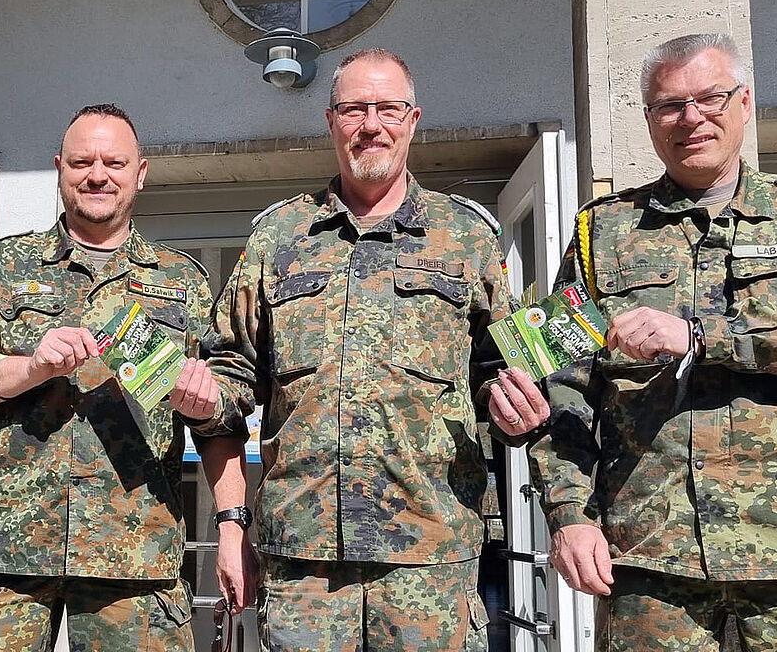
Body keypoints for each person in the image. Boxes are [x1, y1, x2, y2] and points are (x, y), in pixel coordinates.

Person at [174, 48, 550, 651]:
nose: (370, 125)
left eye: (387, 109)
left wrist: (516, 412)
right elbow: (230, 375)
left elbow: (503, 367)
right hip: (302, 562)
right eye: (353, 109)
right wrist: (226, 511)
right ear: (331, 122)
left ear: (413, 119)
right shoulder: (278, 238)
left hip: (431, 556)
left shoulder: (467, 237)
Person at [0, 104, 247, 652]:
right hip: (6, 552)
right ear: (59, 168)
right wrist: (30, 367)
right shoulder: (6, 267)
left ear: (140, 173)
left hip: (135, 555)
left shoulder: (182, 281)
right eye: (82, 161)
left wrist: (232, 522)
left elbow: (225, 419)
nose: (98, 174)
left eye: (114, 162)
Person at [531, 33, 777, 650]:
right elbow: (558, 388)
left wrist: (704, 336)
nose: (691, 119)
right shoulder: (598, 232)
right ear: (650, 119)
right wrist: (570, 516)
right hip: (652, 556)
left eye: (709, 98)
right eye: (669, 105)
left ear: (744, 102)